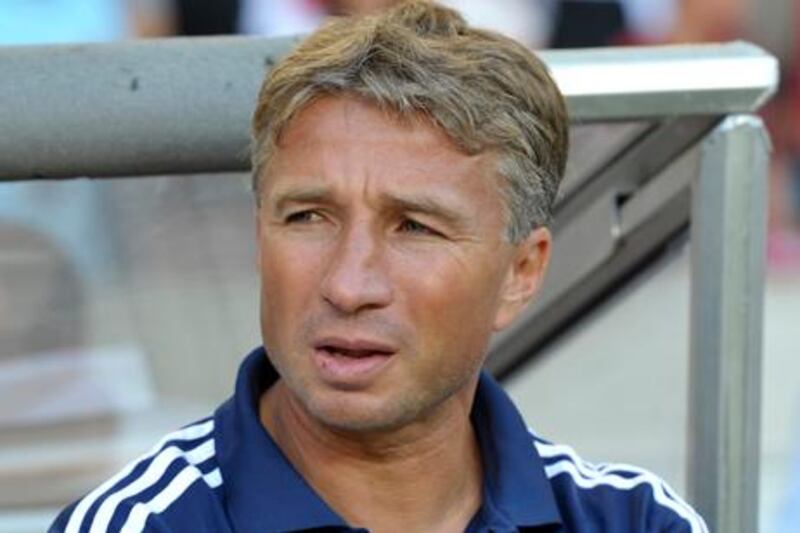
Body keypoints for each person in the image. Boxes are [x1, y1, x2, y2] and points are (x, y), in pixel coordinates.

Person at [50, 1, 708, 531]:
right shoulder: (137, 524)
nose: (347, 284)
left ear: (522, 271)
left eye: (414, 227)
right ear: (259, 236)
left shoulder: (633, 518)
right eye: (307, 216)